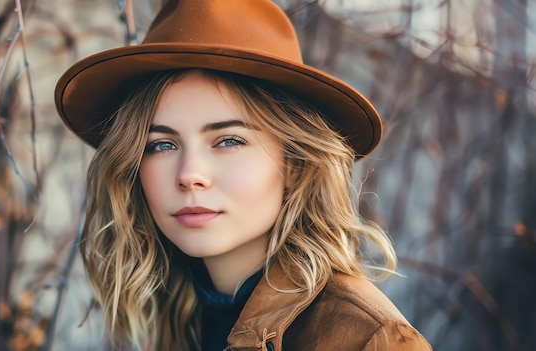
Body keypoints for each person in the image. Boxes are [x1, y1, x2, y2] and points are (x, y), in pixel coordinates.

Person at [54, 0, 432, 350]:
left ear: (296, 165)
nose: (190, 175)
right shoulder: (172, 317)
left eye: (229, 140)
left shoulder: (368, 339)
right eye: (162, 145)